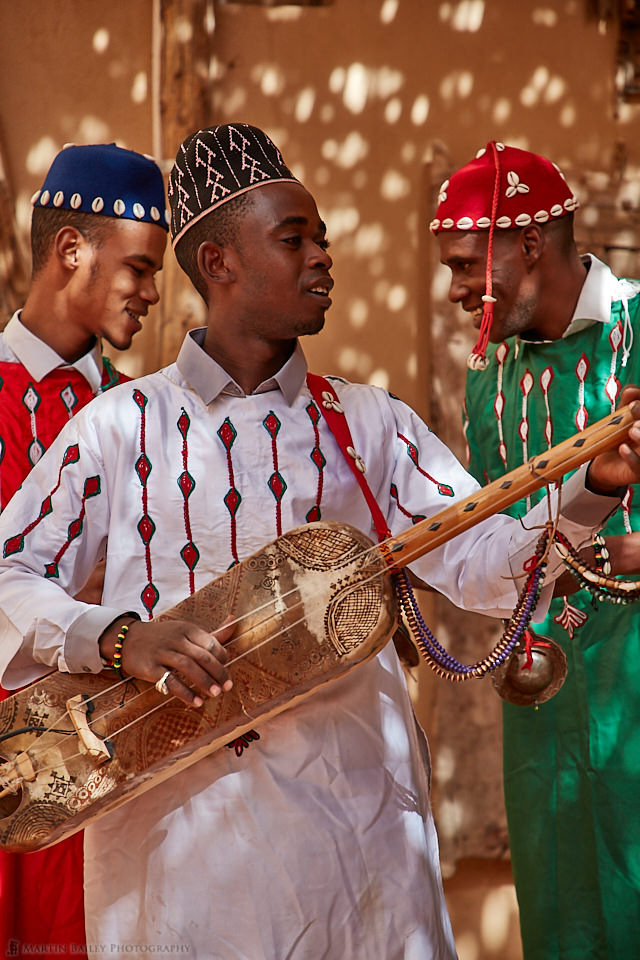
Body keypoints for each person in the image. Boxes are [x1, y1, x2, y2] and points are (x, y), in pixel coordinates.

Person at [0, 124, 638, 960]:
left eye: (322, 239)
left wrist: (596, 485)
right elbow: (10, 574)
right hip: (175, 849)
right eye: (294, 238)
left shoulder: (373, 424)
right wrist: (119, 636)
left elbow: (488, 569)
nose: (322, 258)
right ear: (220, 263)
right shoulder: (120, 427)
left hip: (359, 836)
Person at [432, 141, 640, 960]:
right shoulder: (489, 372)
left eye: (462, 265)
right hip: (541, 688)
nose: (453, 291)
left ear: (527, 243)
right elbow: (489, 539)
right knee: (562, 918)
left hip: (634, 687)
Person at [0, 142, 167, 958]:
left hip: (105, 757)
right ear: (72, 251)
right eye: (137, 267)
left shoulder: (148, 416)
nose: (152, 292)